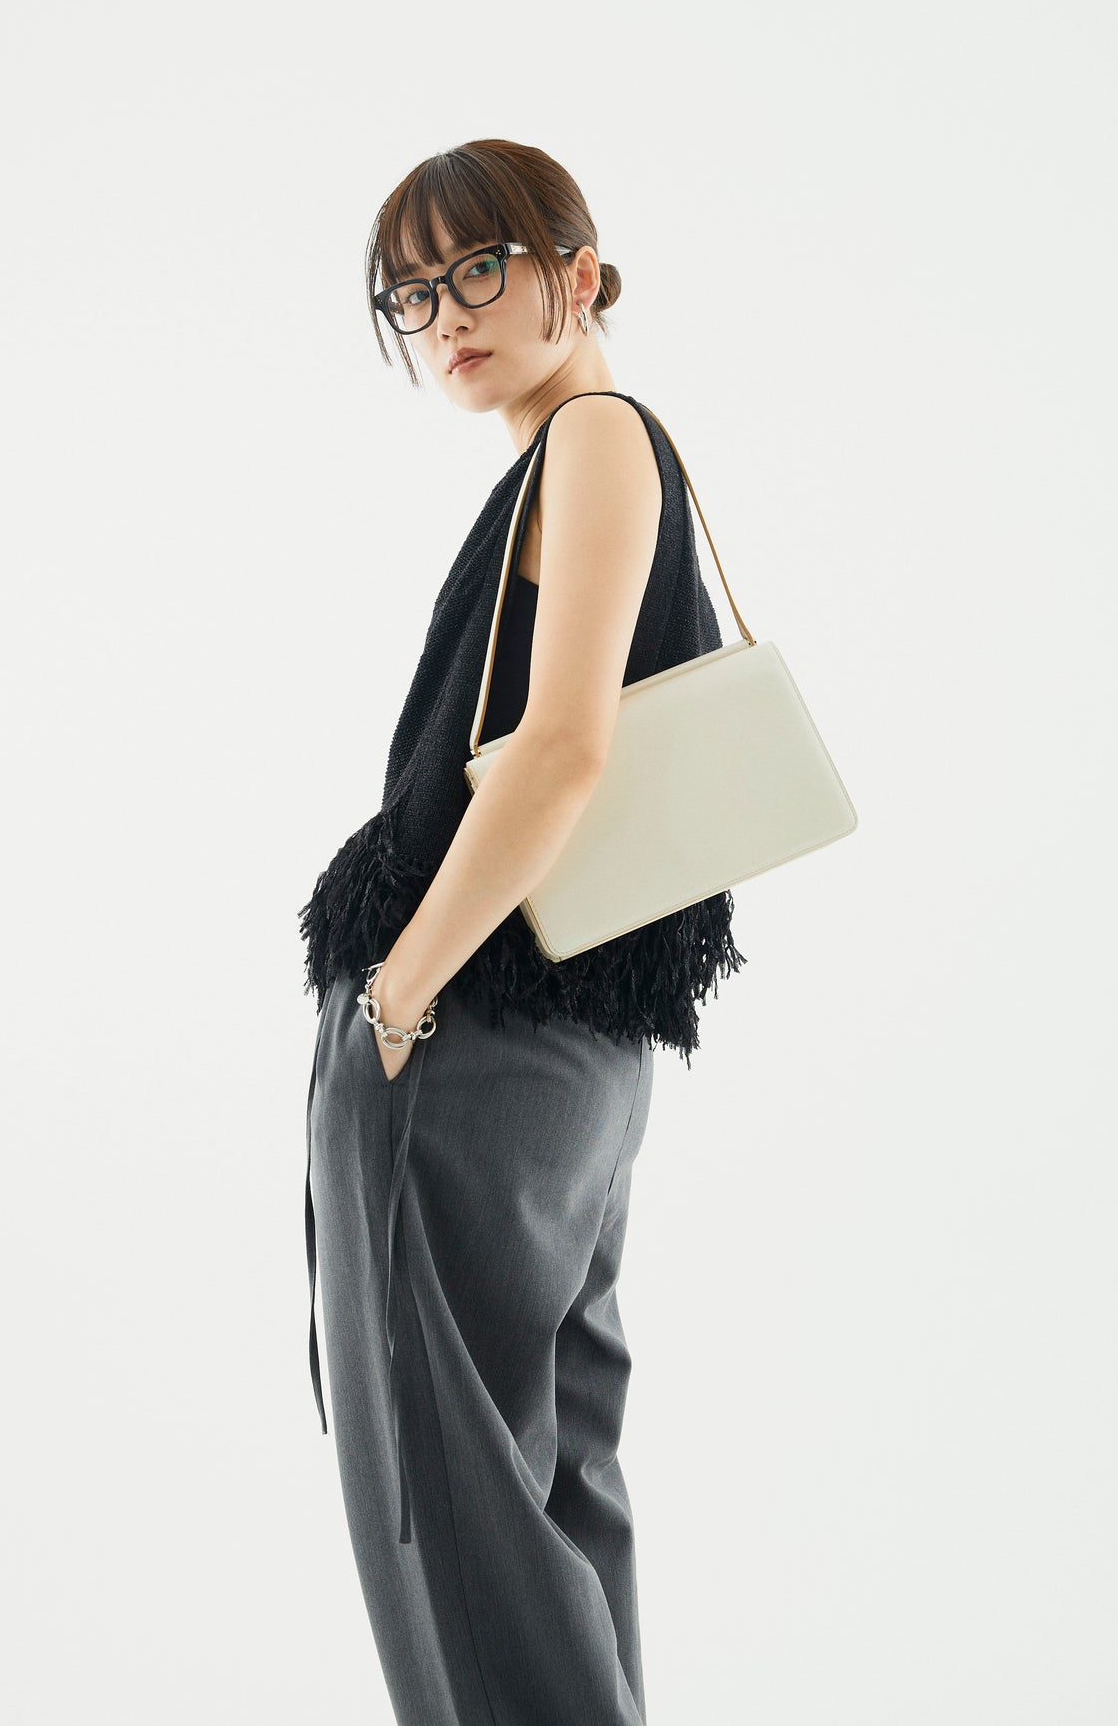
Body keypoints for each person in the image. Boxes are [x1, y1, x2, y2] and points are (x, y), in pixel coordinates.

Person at [298, 138, 746, 1726]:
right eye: (410, 295)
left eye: (475, 269)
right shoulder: (592, 451)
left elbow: (561, 750)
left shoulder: (595, 439)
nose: (444, 318)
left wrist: (398, 996)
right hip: (564, 1049)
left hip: (471, 1041)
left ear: (577, 269)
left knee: (453, 1509)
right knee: (547, 1484)